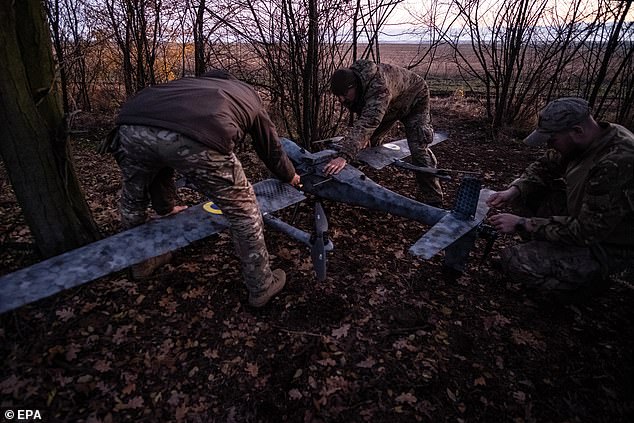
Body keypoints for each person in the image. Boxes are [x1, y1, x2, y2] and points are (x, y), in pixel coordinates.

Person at [103, 70, 301, 307]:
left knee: (133, 201)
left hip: (130, 127)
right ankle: (261, 286)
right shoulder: (246, 93)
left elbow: (160, 158)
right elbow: (270, 147)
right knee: (243, 209)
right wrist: (289, 175)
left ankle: (141, 263)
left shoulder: (185, 87)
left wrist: (166, 207)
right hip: (199, 136)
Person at [487, 97, 634, 300]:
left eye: (552, 139)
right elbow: (545, 165)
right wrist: (515, 189)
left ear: (577, 131)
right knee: (527, 193)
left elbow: (586, 231)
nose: (548, 144)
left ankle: (591, 283)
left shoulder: (616, 162)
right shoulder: (589, 138)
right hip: (586, 223)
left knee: (515, 262)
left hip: (609, 247)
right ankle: (545, 251)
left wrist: (523, 223)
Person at [324, 60, 444, 207]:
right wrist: (364, 138)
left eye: (343, 94)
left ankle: (433, 199)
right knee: (364, 144)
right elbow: (364, 116)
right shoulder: (356, 85)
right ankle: (357, 186)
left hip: (415, 99)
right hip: (391, 106)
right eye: (338, 96)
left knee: (418, 148)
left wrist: (343, 156)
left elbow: (369, 121)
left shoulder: (378, 88)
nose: (341, 99)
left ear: (353, 86)